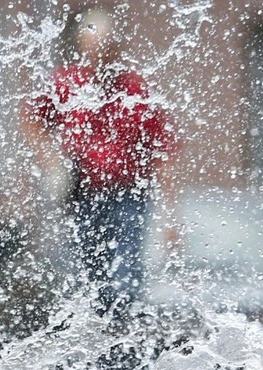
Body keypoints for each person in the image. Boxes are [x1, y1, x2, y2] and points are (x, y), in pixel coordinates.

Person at [25, 8, 177, 318]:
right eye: (91, 47)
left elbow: (162, 153)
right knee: (90, 283)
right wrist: (52, 161)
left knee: (126, 281)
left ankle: (124, 350)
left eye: (105, 47)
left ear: (116, 48)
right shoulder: (66, 84)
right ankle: (98, 351)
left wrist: (171, 217)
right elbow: (32, 120)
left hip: (130, 196)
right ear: (81, 46)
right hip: (82, 196)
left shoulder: (135, 90)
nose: (98, 56)